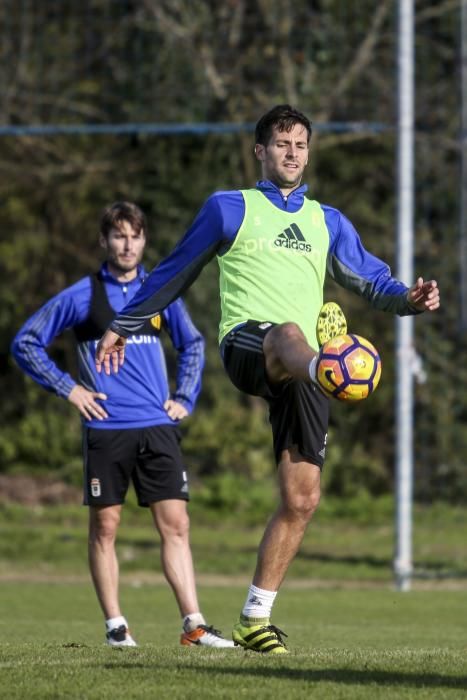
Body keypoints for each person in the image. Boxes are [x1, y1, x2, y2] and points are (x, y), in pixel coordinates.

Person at [94, 106, 441, 654]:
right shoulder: (229, 208)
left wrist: (408, 300)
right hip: (251, 346)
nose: (293, 152)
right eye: (282, 143)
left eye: (301, 143)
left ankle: (255, 618)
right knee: (285, 332)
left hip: (303, 370)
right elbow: (172, 272)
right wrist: (123, 323)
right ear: (260, 151)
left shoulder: (326, 221)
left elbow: (372, 279)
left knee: (302, 498)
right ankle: (329, 367)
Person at [11, 201, 234, 649]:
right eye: (118, 235)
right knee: (105, 528)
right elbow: (26, 342)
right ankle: (116, 627)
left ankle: (193, 625)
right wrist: (69, 388)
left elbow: (192, 343)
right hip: (107, 429)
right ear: (104, 241)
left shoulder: (159, 291)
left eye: (135, 235)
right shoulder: (82, 296)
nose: (127, 244)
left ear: (144, 241)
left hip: (157, 427)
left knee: (177, 525)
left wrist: (184, 398)